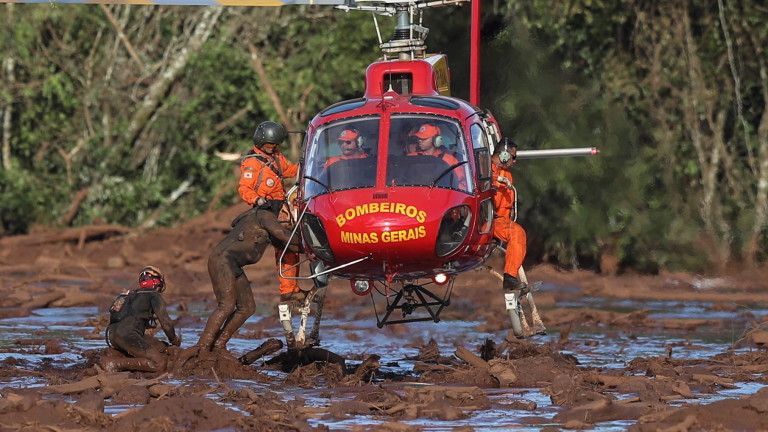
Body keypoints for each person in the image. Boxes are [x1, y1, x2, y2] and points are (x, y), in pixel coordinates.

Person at [196, 208, 300, 353]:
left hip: (233, 265)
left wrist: (314, 248)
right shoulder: (263, 215)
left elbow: (291, 244)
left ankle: (219, 344)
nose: (284, 221)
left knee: (248, 308)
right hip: (222, 261)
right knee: (226, 306)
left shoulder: (265, 227)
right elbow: (282, 234)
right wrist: (311, 242)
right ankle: (202, 347)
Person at [236, 121, 302, 304]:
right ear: (259, 142)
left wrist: (307, 167)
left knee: (291, 247)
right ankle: (287, 291)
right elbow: (244, 188)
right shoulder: (252, 163)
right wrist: (257, 199)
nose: (273, 148)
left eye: (276, 145)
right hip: (264, 209)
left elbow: (288, 170)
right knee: (284, 245)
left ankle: (293, 289)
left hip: (280, 207)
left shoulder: (277, 157)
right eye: (270, 145)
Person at [102, 266, 181, 372]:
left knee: (161, 347)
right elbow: (166, 324)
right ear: (157, 282)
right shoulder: (154, 295)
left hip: (112, 335)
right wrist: (174, 340)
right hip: (128, 336)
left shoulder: (129, 295)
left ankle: (114, 354)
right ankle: (115, 364)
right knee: (159, 364)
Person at [491, 137, 528, 291]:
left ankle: (510, 277)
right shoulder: (481, 168)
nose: (514, 161)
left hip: (496, 223)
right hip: (479, 220)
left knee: (517, 233)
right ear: (504, 155)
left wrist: (497, 238)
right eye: (513, 157)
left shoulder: (507, 176)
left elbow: (505, 208)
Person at [409, 123, 466, 187]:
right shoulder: (411, 158)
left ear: (436, 140)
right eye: (419, 138)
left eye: (424, 138)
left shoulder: (450, 160)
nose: (420, 141)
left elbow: (462, 183)